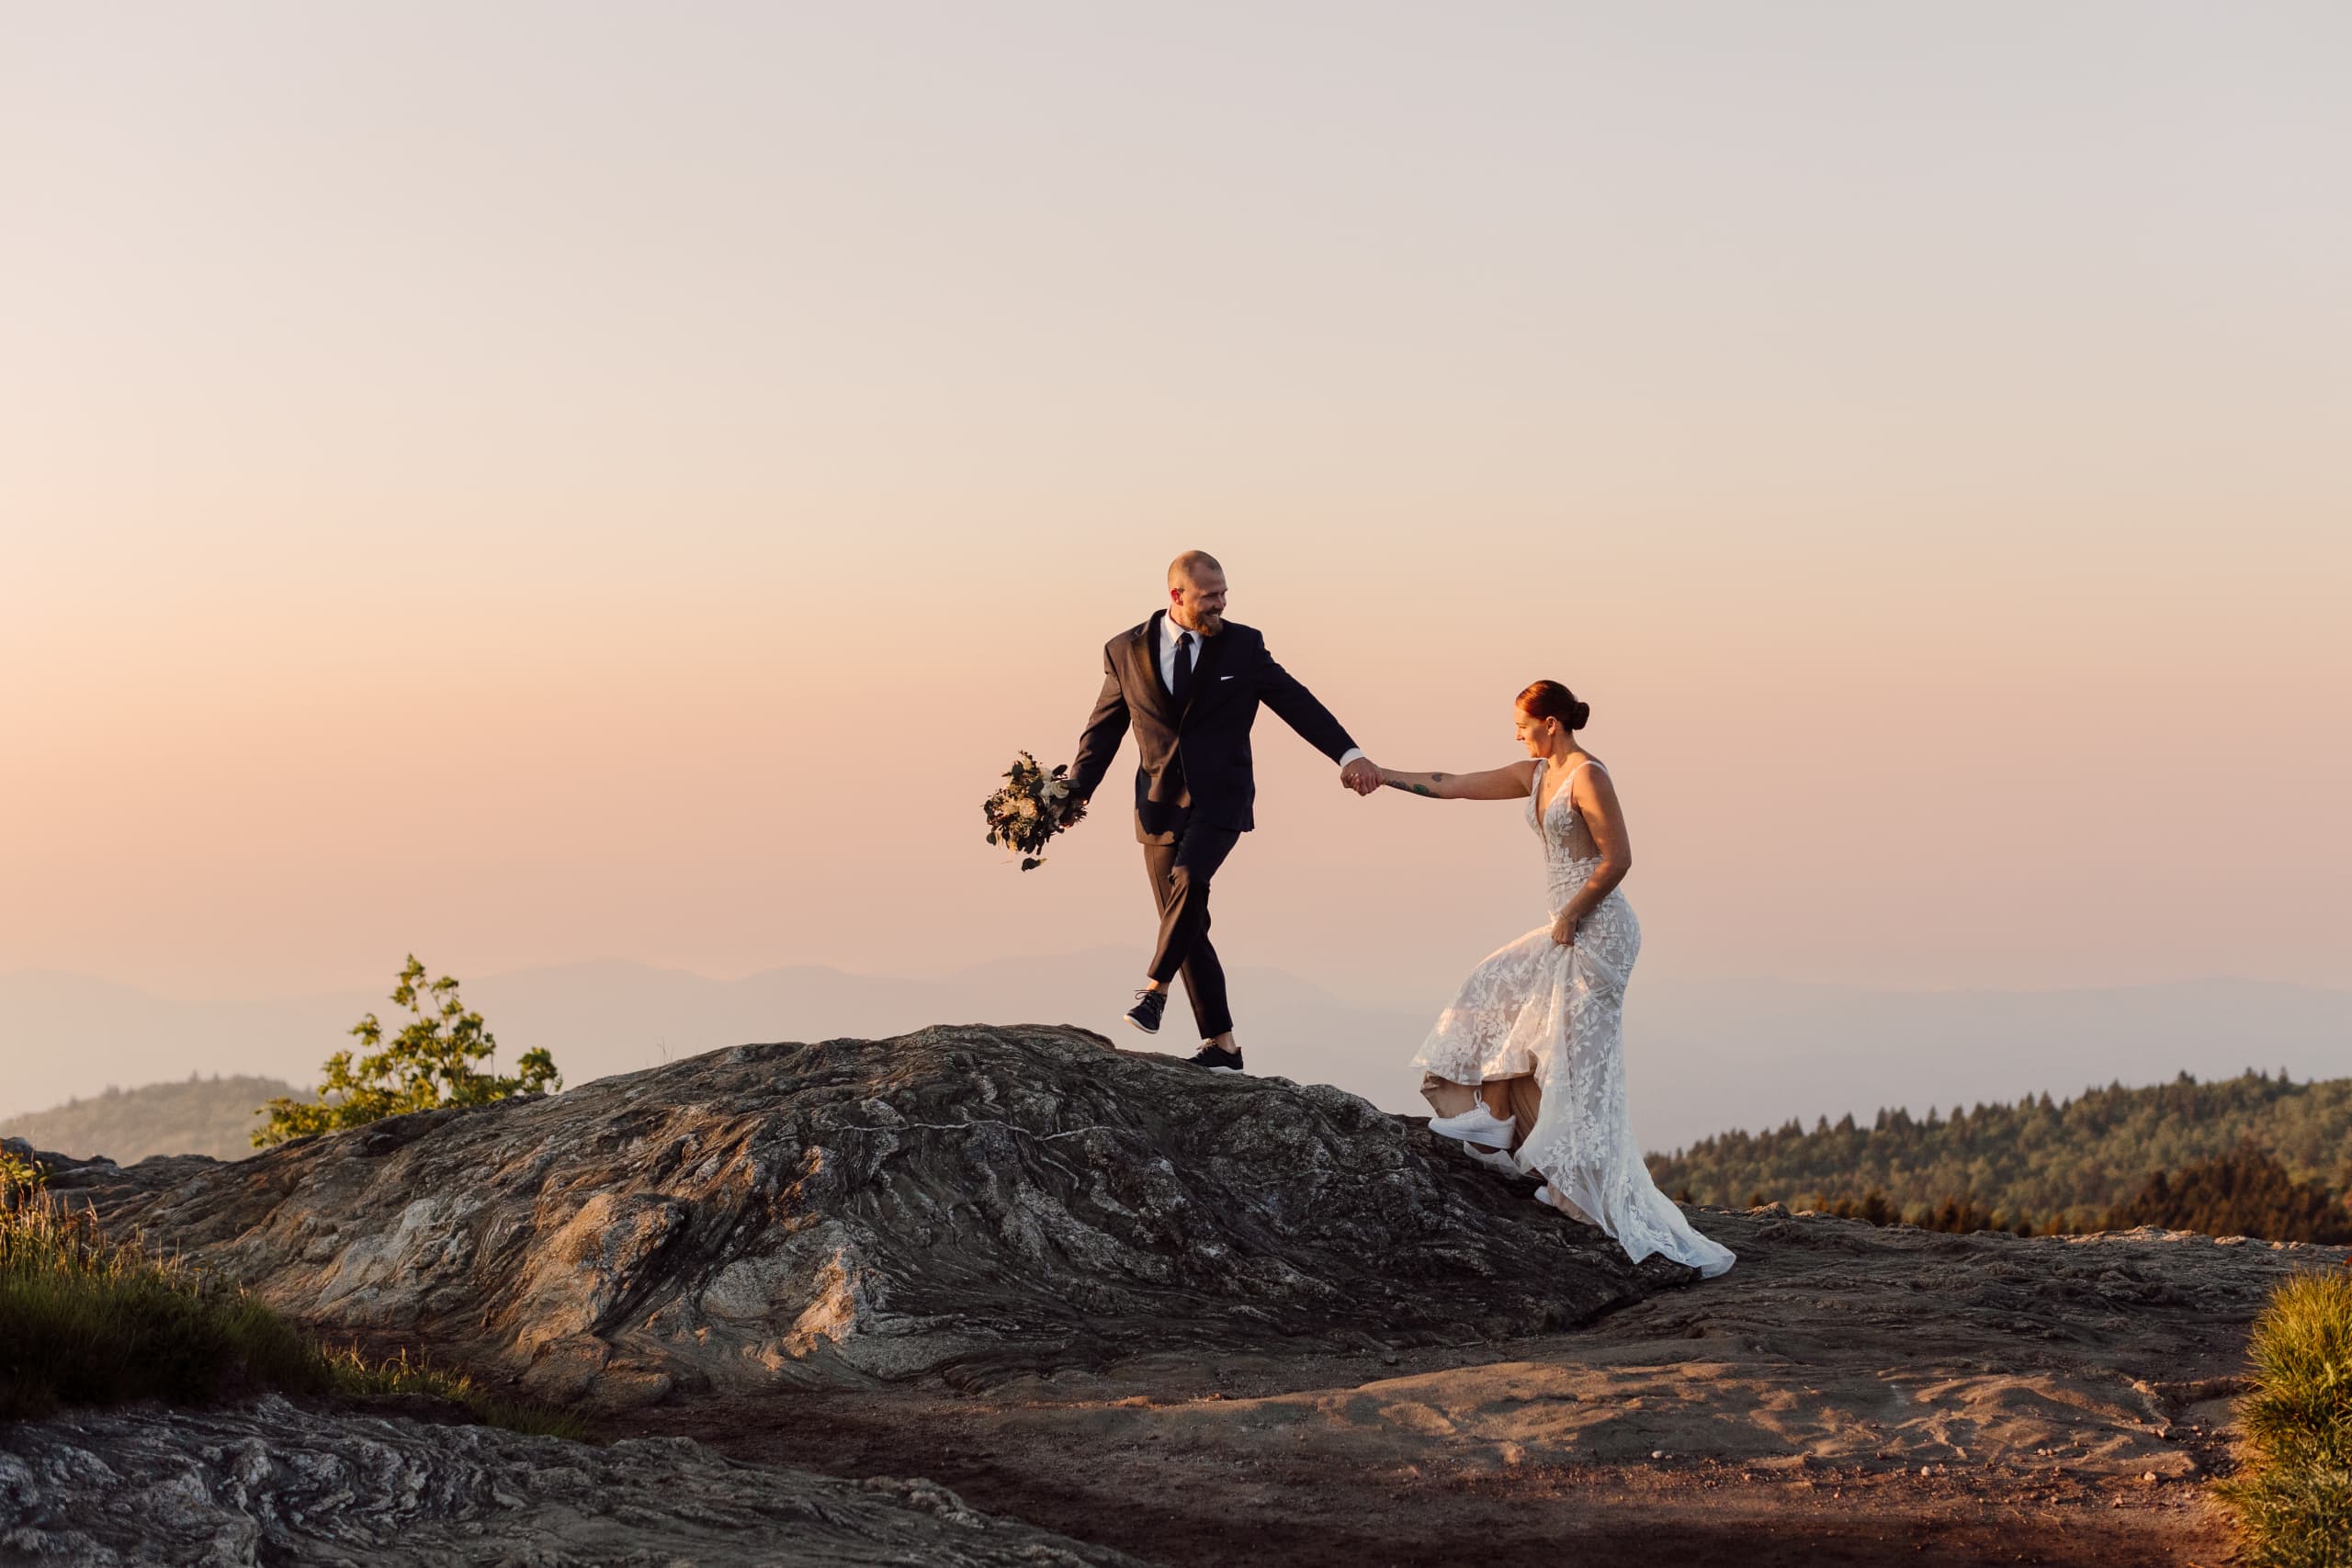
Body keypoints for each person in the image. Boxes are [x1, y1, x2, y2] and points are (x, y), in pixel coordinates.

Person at [1380, 680, 1734, 1277]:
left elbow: (1618, 857)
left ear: (1549, 722)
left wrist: (1572, 912)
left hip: (1599, 932)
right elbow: (1453, 785)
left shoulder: (1589, 776)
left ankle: (1574, 1183)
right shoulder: (1534, 773)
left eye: (1522, 722)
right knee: (1494, 985)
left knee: (1576, 1059)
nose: (1516, 734)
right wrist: (1382, 774)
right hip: (1565, 927)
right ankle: (1496, 1119)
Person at [1068, 551, 1382, 1072]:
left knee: (1190, 880)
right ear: (1177, 597)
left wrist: (1350, 756)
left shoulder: (1243, 645)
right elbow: (1103, 729)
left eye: (1224, 593)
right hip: (1157, 805)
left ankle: (1154, 990)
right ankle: (1223, 1046)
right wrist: (1074, 791)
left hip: (1222, 799)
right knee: (1185, 922)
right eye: (1210, 596)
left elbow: (1296, 702)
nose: (1222, 603)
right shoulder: (1123, 650)